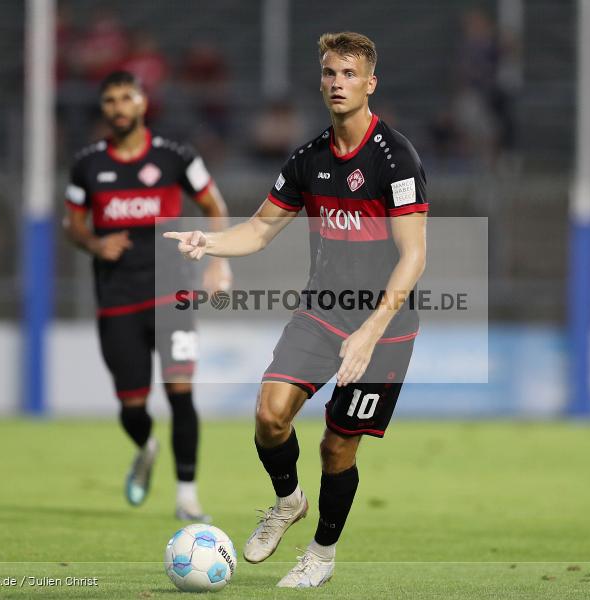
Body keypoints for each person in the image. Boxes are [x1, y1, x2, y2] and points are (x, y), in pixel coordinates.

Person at [165, 32, 428, 588]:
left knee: (337, 444)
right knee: (269, 414)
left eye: (350, 74)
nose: (338, 83)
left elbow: (414, 256)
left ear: (370, 84)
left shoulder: (395, 158)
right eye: (331, 73)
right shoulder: (308, 159)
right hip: (322, 310)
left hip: (386, 326)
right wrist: (207, 243)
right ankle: (288, 501)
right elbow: (260, 230)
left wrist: (370, 331)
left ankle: (322, 555)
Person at [63, 71, 231, 521]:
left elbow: (214, 205)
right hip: (117, 299)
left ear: (141, 103)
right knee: (131, 407)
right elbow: (71, 223)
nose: (119, 107)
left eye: (126, 98)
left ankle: (187, 497)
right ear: (105, 109)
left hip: (172, 292)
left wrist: (217, 259)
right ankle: (146, 445)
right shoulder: (87, 165)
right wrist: (96, 244)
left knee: (181, 393)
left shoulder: (176, 156)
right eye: (110, 100)